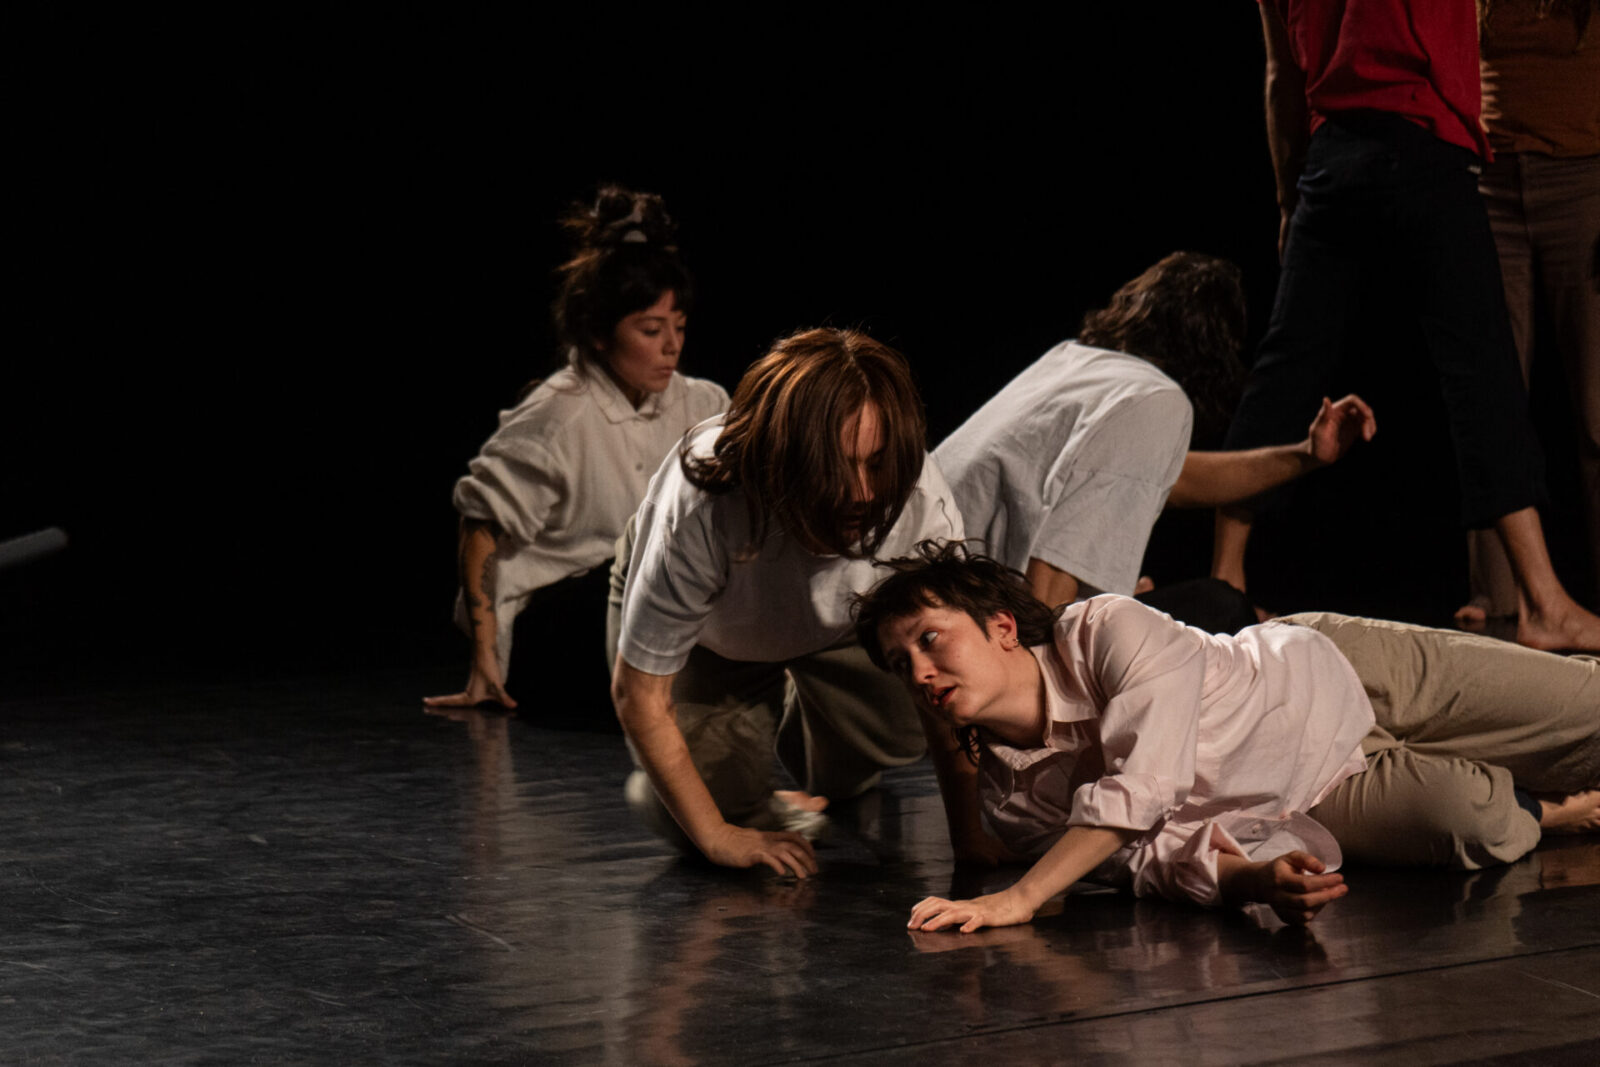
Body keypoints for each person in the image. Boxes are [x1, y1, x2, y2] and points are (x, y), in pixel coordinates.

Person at [855, 541, 1600, 930]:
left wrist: (1021, 898)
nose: (918, 671)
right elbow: (1149, 863)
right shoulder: (1011, 803)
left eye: (930, 639)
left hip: (1339, 671)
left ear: (1001, 626)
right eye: (899, 662)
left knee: (1587, 708)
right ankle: (1557, 806)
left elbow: (1145, 786)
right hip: (1312, 786)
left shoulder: (1100, 630)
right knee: (1473, 822)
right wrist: (1250, 881)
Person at [1216, 0, 1600, 652]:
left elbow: (1282, 77)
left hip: (1332, 153)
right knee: (1483, 372)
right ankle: (1543, 601)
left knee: (1286, 363)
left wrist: (1288, 199)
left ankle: (1224, 578)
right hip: (1425, 141)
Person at [609, 327, 963, 877]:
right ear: (780, 460)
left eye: (875, 463)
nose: (862, 493)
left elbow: (955, 672)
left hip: (842, 624)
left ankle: (810, 728)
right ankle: (747, 742)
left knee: (914, 715)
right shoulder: (701, 502)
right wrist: (718, 837)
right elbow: (639, 696)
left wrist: (972, 838)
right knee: (691, 811)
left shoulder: (917, 495)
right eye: (836, 466)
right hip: (716, 639)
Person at [935, 252, 1375, 630]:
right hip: (969, 616)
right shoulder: (1155, 399)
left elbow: (1181, 479)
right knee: (1222, 609)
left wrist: (1306, 455)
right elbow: (1056, 561)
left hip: (933, 583)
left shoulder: (1074, 363)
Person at [426, 187, 728, 714]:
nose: (672, 345)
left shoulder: (703, 404)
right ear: (599, 334)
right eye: (651, 330)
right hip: (565, 618)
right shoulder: (559, 413)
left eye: (679, 327)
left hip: (656, 607)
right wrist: (484, 659)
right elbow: (481, 527)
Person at [1461, 0, 1600, 629]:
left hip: (1585, 179)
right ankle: (1497, 598)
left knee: (1597, 408)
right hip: (1490, 179)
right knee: (1492, 399)